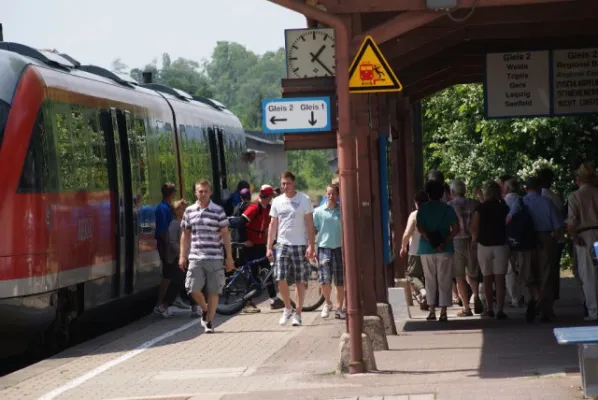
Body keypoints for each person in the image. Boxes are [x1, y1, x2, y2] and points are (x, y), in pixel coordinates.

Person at [179, 180, 234, 333]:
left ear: (210, 192)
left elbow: (225, 234)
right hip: (195, 256)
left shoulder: (218, 211)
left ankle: (209, 322)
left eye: (205, 191)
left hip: (215, 256)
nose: (203, 194)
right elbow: (185, 235)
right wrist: (182, 256)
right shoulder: (189, 211)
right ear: (195, 193)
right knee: (192, 288)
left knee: (214, 291)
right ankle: (205, 309)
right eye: (200, 191)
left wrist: (229, 256)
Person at [267, 171, 316, 327]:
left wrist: (311, 245)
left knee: (299, 280)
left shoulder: (304, 199)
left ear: (293, 183)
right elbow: (273, 225)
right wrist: (268, 247)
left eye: (287, 183)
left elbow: (309, 224)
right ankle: (287, 308)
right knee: (280, 277)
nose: (285, 186)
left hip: (300, 244)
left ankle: (298, 313)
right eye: (282, 183)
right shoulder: (277, 201)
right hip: (282, 244)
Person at [417, 179, 459, 322]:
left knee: (429, 279)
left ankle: (431, 311)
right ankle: (443, 311)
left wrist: (431, 240)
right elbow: (456, 228)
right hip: (445, 249)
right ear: (442, 194)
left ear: (428, 193)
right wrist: (444, 241)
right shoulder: (448, 209)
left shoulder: (422, 209)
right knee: (444, 279)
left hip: (426, 248)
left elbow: (420, 228)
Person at [238, 184, 285, 313]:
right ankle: (247, 303)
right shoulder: (254, 207)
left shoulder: (268, 207)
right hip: (250, 245)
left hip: (260, 244)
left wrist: (272, 241)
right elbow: (241, 222)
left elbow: (268, 226)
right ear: (269, 196)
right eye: (271, 196)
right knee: (253, 273)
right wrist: (244, 240)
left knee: (267, 270)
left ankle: (274, 299)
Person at [471, 181, 510, 320]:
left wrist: (473, 240)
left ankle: (489, 308)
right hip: (500, 245)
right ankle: (500, 309)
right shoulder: (504, 207)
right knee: (500, 279)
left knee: (487, 278)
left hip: (484, 245)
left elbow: (475, 227)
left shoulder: (480, 209)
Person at [567, 163, 598, 321]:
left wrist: (573, 237)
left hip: (586, 236)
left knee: (589, 274)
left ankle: (594, 311)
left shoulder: (575, 196)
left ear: (579, 179)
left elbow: (571, 223)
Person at [447, 180, 483, 317]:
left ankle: (467, 307)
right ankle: (476, 296)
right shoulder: (475, 204)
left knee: (459, 275)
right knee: (472, 273)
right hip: (472, 241)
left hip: (456, 242)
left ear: (452, 192)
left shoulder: (449, 206)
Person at [314, 184, 345, 320]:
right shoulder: (319, 212)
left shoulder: (341, 212)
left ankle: (339, 308)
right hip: (323, 247)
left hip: (339, 248)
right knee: (324, 278)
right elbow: (313, 229)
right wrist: (310, 246)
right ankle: (327, 303)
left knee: (339, 281)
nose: (331, 196)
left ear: (338, 195)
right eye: (329, 194)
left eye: (333, 194)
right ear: (325, 194)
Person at [400, 191, 429, 310]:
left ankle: (423, 292)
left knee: (412, 275)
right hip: (430, 250)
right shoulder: (431, 214)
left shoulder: (414, 215)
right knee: (428, 275)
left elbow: (407, 233)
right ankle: (428, 298)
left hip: (415, 250)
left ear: (416, 203)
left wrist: (403, 246)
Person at [154, 182, 176, 318]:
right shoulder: (163, 208)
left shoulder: (167, 207)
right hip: (165, 244)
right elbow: (163, 231)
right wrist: (171, 246)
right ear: (172, 193)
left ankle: (173, 300)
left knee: (173, 274)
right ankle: (159, 304)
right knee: (168, 274)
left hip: (168, 244)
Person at [166, 199, 192, 312]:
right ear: (177, 211)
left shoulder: (185, 223)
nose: (186, 210)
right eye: (183, 209)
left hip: (188, 257)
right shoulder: (175, 223)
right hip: (179, 258)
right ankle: (164, 306)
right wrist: (181, 253)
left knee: (190, 282)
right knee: (178, 282)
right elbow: (172, 241)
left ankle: (195, 307)